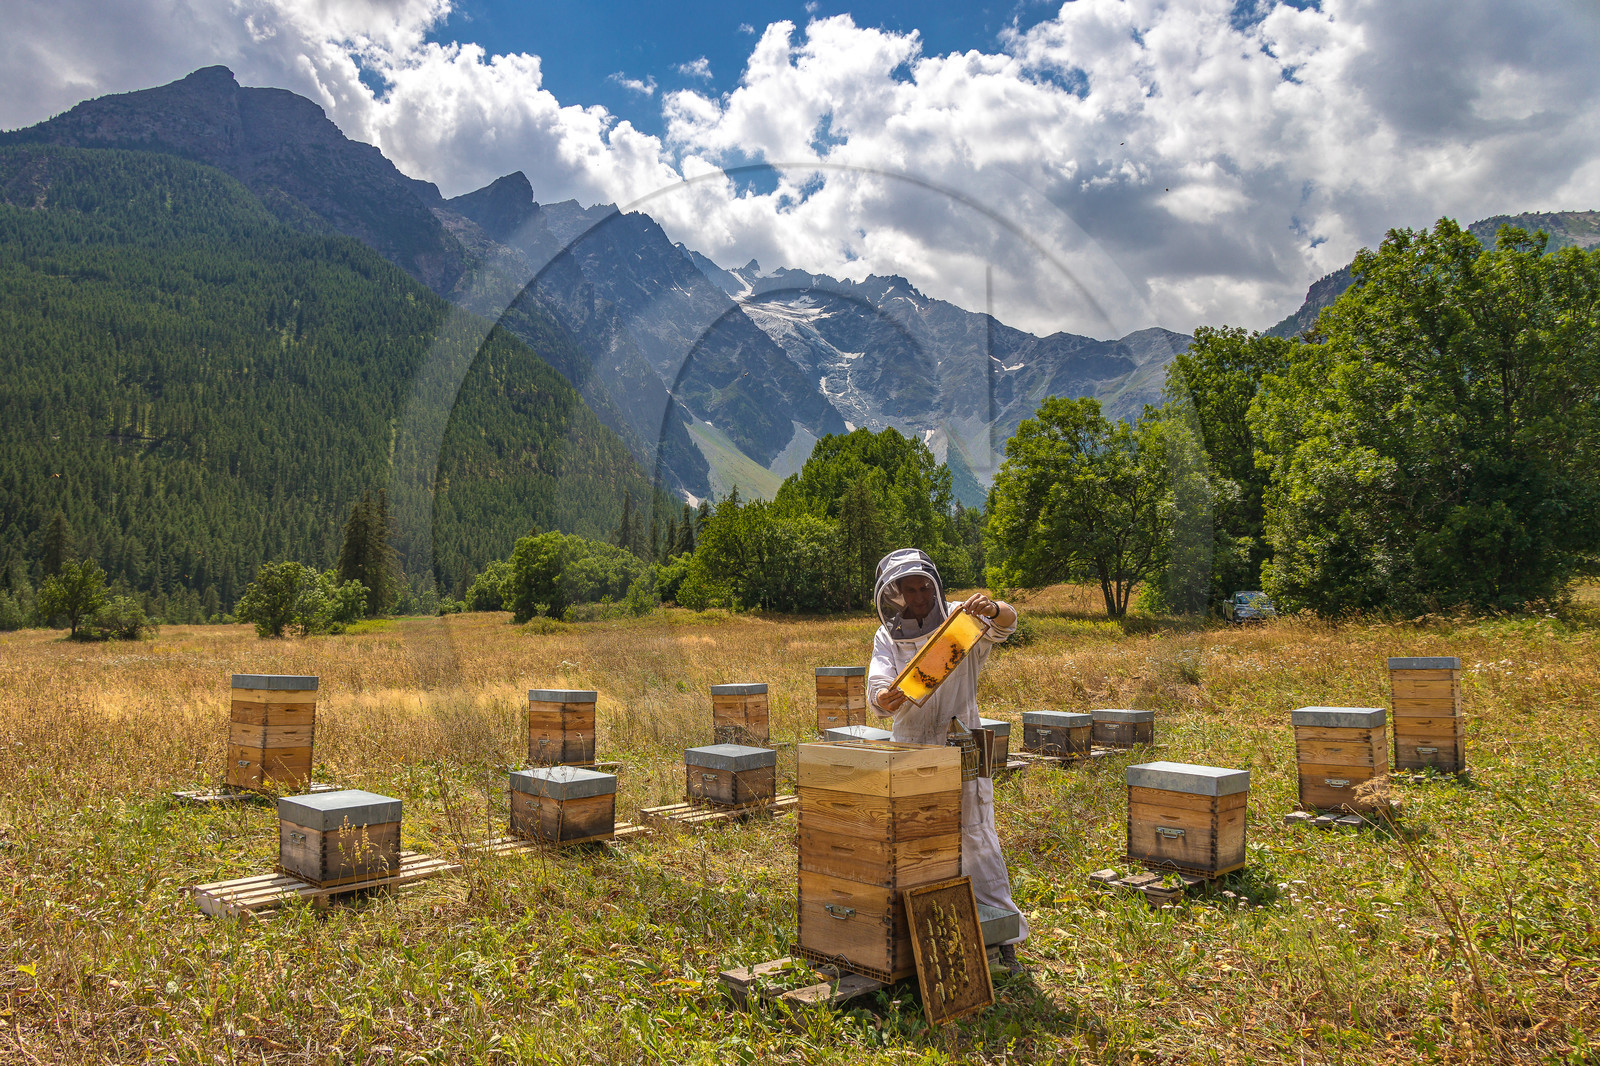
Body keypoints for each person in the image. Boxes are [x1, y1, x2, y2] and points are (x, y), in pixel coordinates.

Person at [866, 547, 1029, 973]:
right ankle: (921, 932)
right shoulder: (888, 635)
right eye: (910, 589)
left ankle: (1001, 936)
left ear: (935, 586)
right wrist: (884, 697)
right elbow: (878, 689)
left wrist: (993, 606)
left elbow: (1008, 622)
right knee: (918, 835)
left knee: (975, 832)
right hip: (911, 742)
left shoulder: (962, 620)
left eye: (925, 586)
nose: (919, 595)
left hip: (962, 737)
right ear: (895, 593)